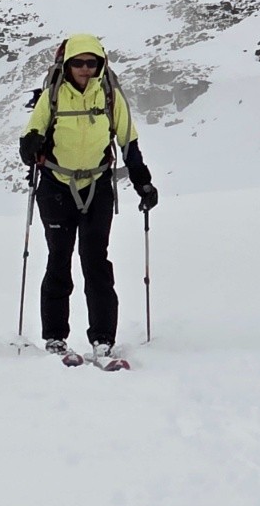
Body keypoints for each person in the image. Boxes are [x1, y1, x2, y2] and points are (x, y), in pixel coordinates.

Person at [18, 33, 157, 362]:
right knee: (59, 261)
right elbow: (32, 132)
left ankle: (103, 340)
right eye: (78, 63)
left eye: (91, 63)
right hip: (56, 186)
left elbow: (127, 141)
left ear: (100, 65)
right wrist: (29, 146)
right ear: (66, 65)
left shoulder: (109, 95)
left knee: (96, 263)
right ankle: (55, 338)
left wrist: (143, 183)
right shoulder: (53, 95)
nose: (84, 68)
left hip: (96, 187)